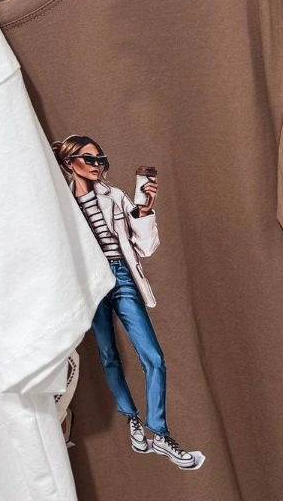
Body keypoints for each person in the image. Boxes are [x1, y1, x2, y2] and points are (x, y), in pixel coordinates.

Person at [53, 135, 205, 470]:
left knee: (153, 357)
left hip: (121, 275)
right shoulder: (58, 203)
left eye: (100, 159)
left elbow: (146, 248)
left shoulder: (115, 196)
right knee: (108, 356)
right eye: (89, 159)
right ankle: (132, 420)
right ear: (69, 162)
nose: (97, 165)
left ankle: (159, 432)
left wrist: (146, 211)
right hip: (87, 285)